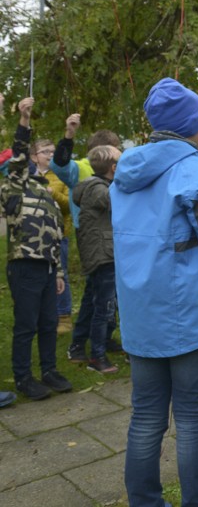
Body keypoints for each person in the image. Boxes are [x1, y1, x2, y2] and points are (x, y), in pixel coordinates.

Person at [111, 77, 198, 506]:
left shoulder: (123, 176)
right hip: (188, 317)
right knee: (191, 420)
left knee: (145, 417)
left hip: (140, 315)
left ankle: (144, 501)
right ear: (192, 125)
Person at [1, 97, 73, 401]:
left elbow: (53, 233)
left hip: (46, 267)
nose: (29, 163)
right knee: (26, 325)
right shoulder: (13, 186)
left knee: (47, 322)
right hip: (24, 265)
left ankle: (49, 371)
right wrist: (24, 120)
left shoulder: (42, 189)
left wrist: (57, 271)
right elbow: (18, 154)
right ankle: (23, 377)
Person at [52, 121, 125, 361]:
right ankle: (88, 346)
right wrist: (69, 135)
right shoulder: (81, 167)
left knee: (103, 295)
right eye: (116, 150)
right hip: (95, 239)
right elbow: (59, 164)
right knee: (99, 297)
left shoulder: (110, 174)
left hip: (110, 237)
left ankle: (101, 338)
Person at [72, 144, 122, 374]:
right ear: (114, 168)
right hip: (104, 255)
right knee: (104, 306)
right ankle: (97, 356)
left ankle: (78, 347)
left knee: (94, 301)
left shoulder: (98, 185)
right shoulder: (99, 189)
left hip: (103, 252)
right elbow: (119, 203)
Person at [29, 136, 74, 333]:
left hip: (58, 234)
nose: (50, 155)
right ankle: (44, 314)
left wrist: (51, 193)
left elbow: (68, 205)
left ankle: (63, 315)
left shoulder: (61, 175)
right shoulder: (28, 177)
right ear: (33, 157)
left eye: (52, 151)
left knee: (60, 272)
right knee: (38, 275)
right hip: (33, 236)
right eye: (45, 152)